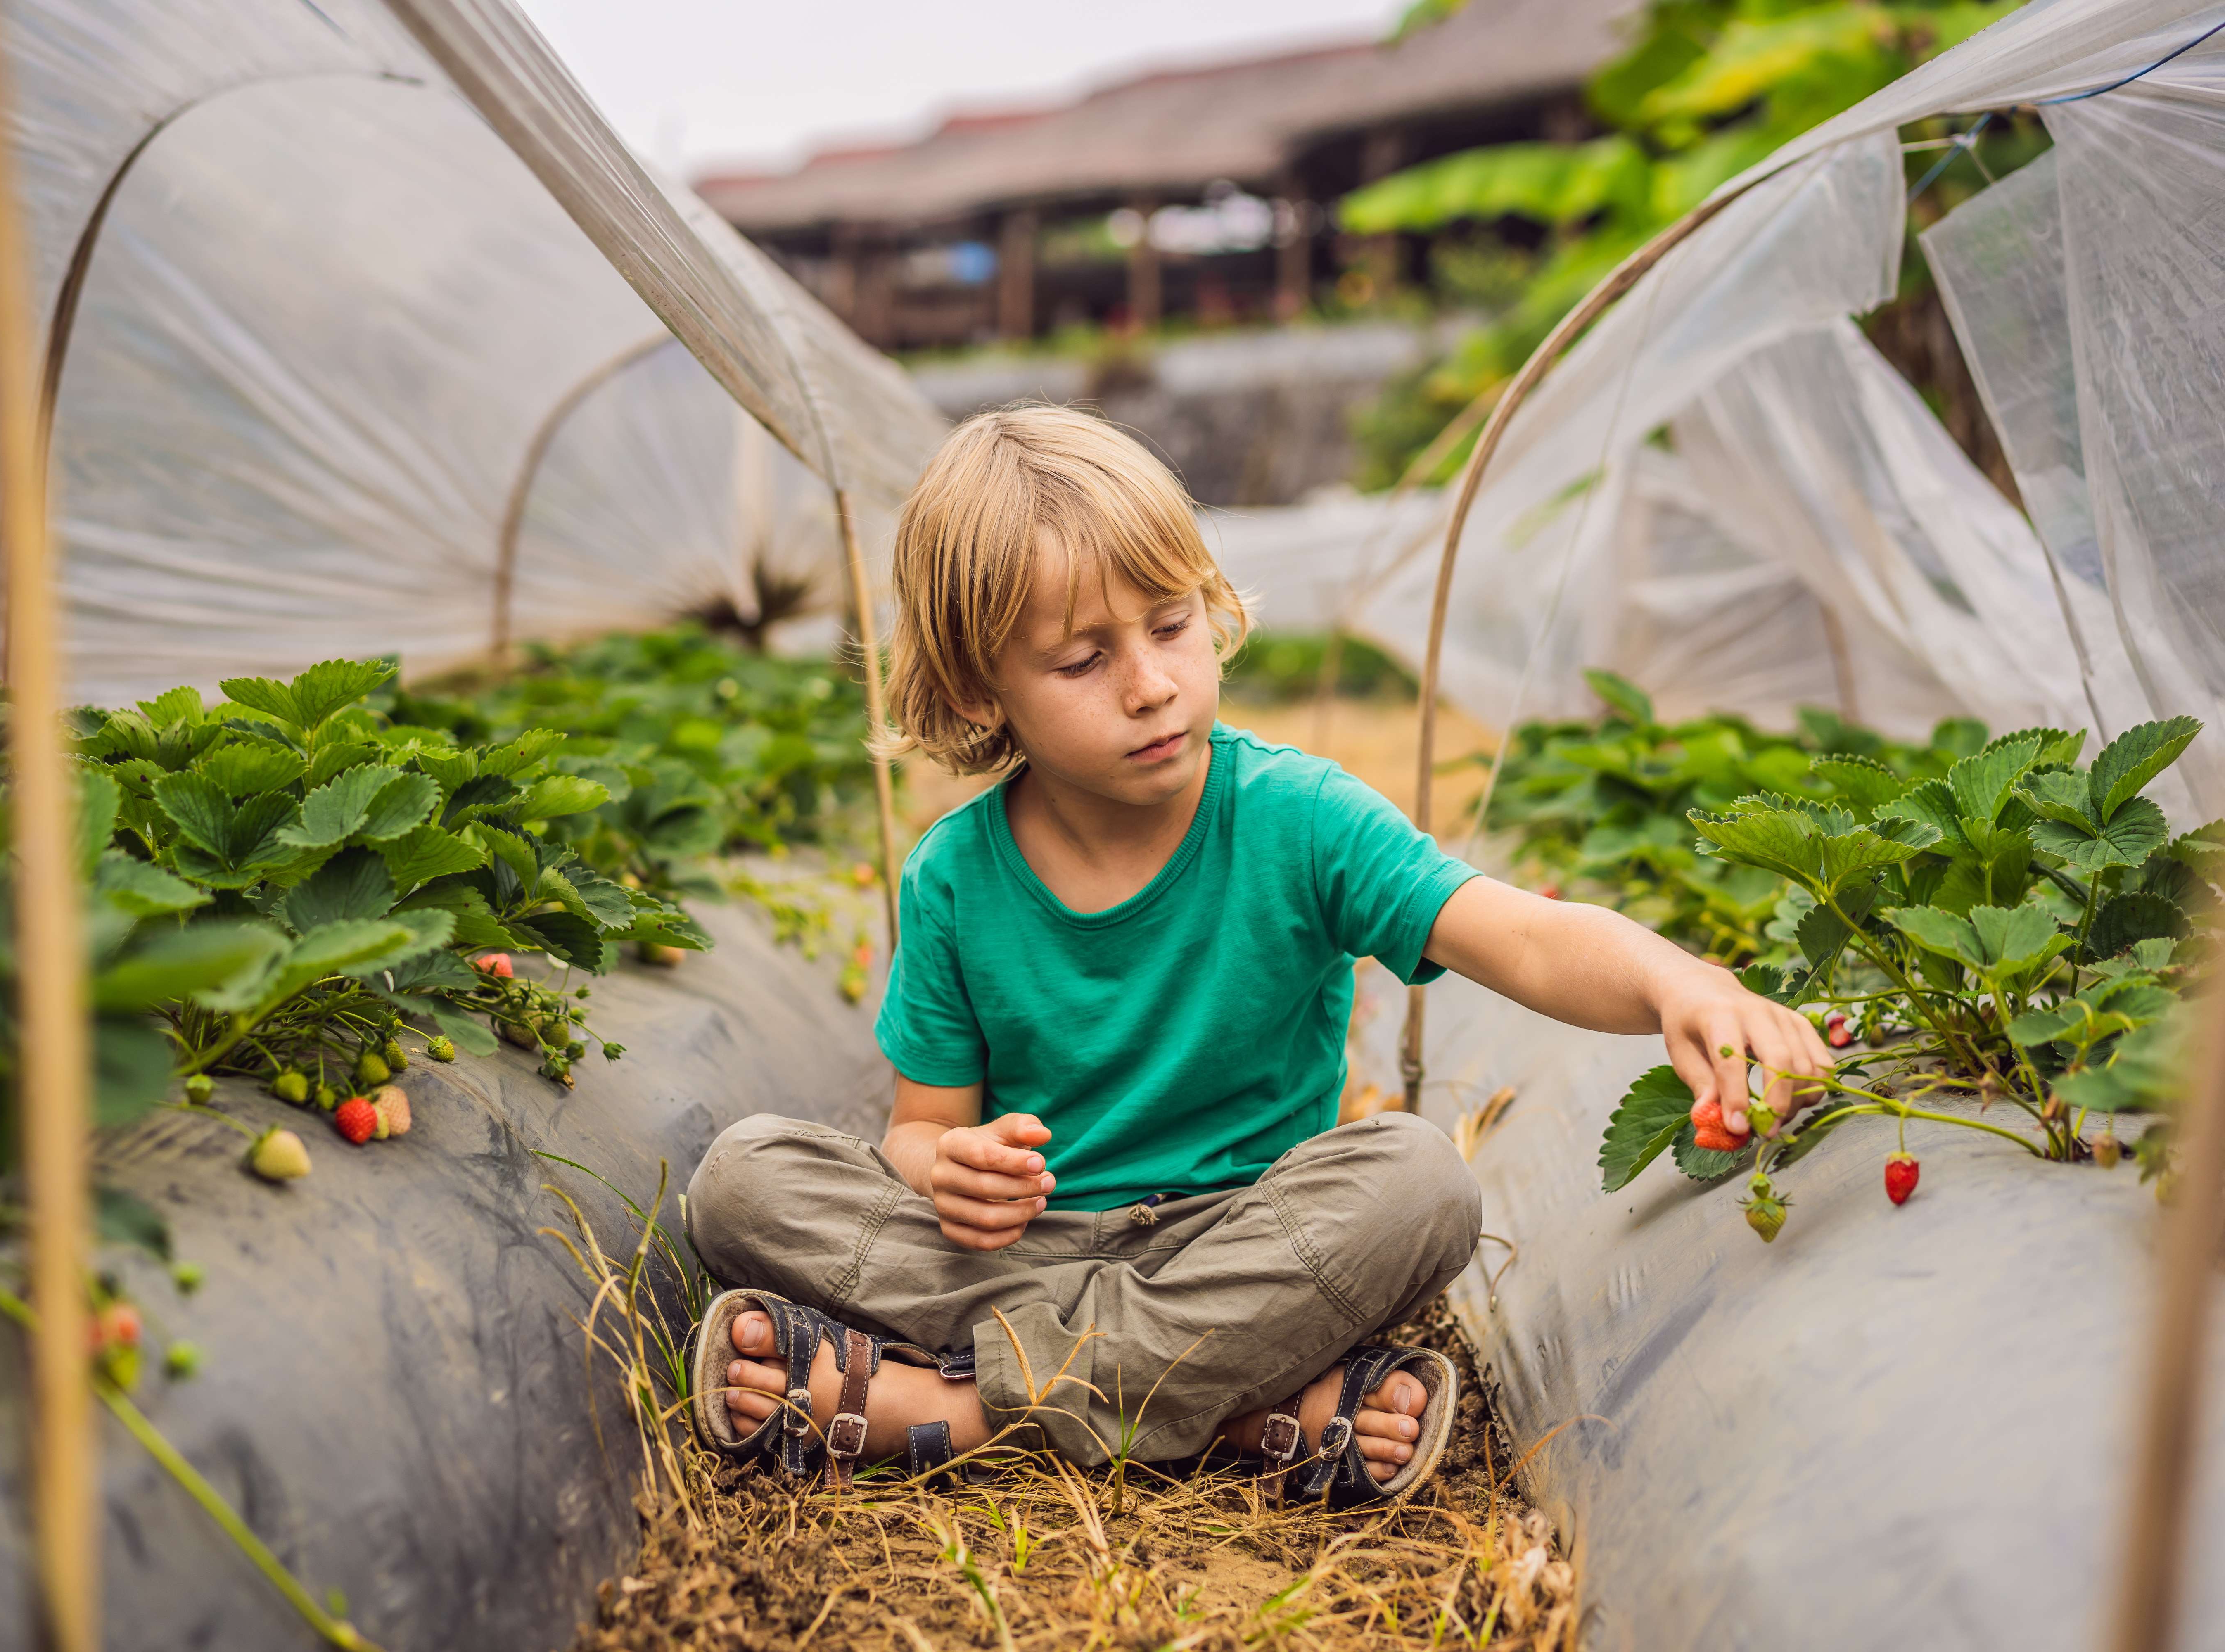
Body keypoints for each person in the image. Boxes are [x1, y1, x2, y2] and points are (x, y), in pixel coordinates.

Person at [684, 405, 1831, 1500]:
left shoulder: (1297, 818)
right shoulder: (955, 878)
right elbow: (923, 1130)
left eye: (1172, 624)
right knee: (741, 1180)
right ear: (988, 691)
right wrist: (951, 1170)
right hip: (1036, 1253)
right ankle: (1233, 1407)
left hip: (1239, 1241)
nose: (1152, 685)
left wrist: (1681, 979)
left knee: (1420, 1184)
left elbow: (1521, 935)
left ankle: (965, 1408)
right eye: (1083, 662)